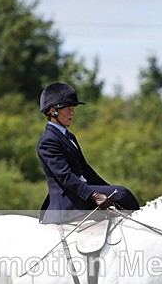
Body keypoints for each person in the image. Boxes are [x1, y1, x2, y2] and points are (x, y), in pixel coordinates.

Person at [37, 82, 140, 224]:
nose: (73, 113)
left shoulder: (69, 136)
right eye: (68, 109)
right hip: (67, 201)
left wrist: (108, 189)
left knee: (120, 194)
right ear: (53, 111)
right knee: (123, 194)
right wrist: (95, 195)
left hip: (79, 194)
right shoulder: (48, 140)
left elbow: (85, 169)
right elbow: (65, 176)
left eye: (73, 109)